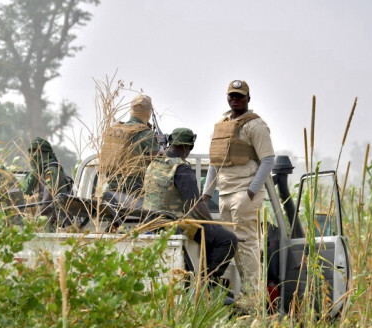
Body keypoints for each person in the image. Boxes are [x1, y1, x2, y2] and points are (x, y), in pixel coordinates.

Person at [143, 128, 238, 301]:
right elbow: (195, 204)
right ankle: (208, 285)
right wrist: (213, 225)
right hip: (172, 225)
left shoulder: (153, 165)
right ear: (189, 147)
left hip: (151, 224)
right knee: (227, 240)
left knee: (209, 237)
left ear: (171, 143)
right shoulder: (182, 170)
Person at [203, 80, 275, 295]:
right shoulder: (222, 125)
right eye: (232, 95)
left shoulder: (256, 125)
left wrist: (250, 192)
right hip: (224, 193)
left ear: (248, 99)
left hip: (244, 192)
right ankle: (229, 297)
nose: (235, 99)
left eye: (240, 96)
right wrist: (206, 194)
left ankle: (253, 300)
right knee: (229, 246)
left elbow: (268, 160)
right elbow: (215, 162)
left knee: (246, 245)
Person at [99, 94, 160, 204]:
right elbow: (158, 163)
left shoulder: (114, 130)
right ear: (149, 112)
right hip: (133, 195)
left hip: (111, 192)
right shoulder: (146, 134)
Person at [22, 137, 73, 224]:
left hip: (56, 224)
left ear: (45, 153)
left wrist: (34, 223)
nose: (32, 155)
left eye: (36, 151)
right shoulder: (40, 173)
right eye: (30, 151)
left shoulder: (51, 170)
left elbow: (47, 201)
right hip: (46, 221)